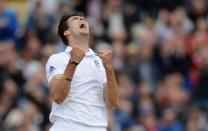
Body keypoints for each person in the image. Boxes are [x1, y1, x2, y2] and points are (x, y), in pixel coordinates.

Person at [45, 12, 119, 131]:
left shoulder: (101, 61)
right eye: (75, 18)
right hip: (67, 127)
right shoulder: (56, 58)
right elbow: (58, 96)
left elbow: (113, 103)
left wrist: (110, 69)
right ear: (66, 32)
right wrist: (73, 62)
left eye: (83, 18)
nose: (81, 19)